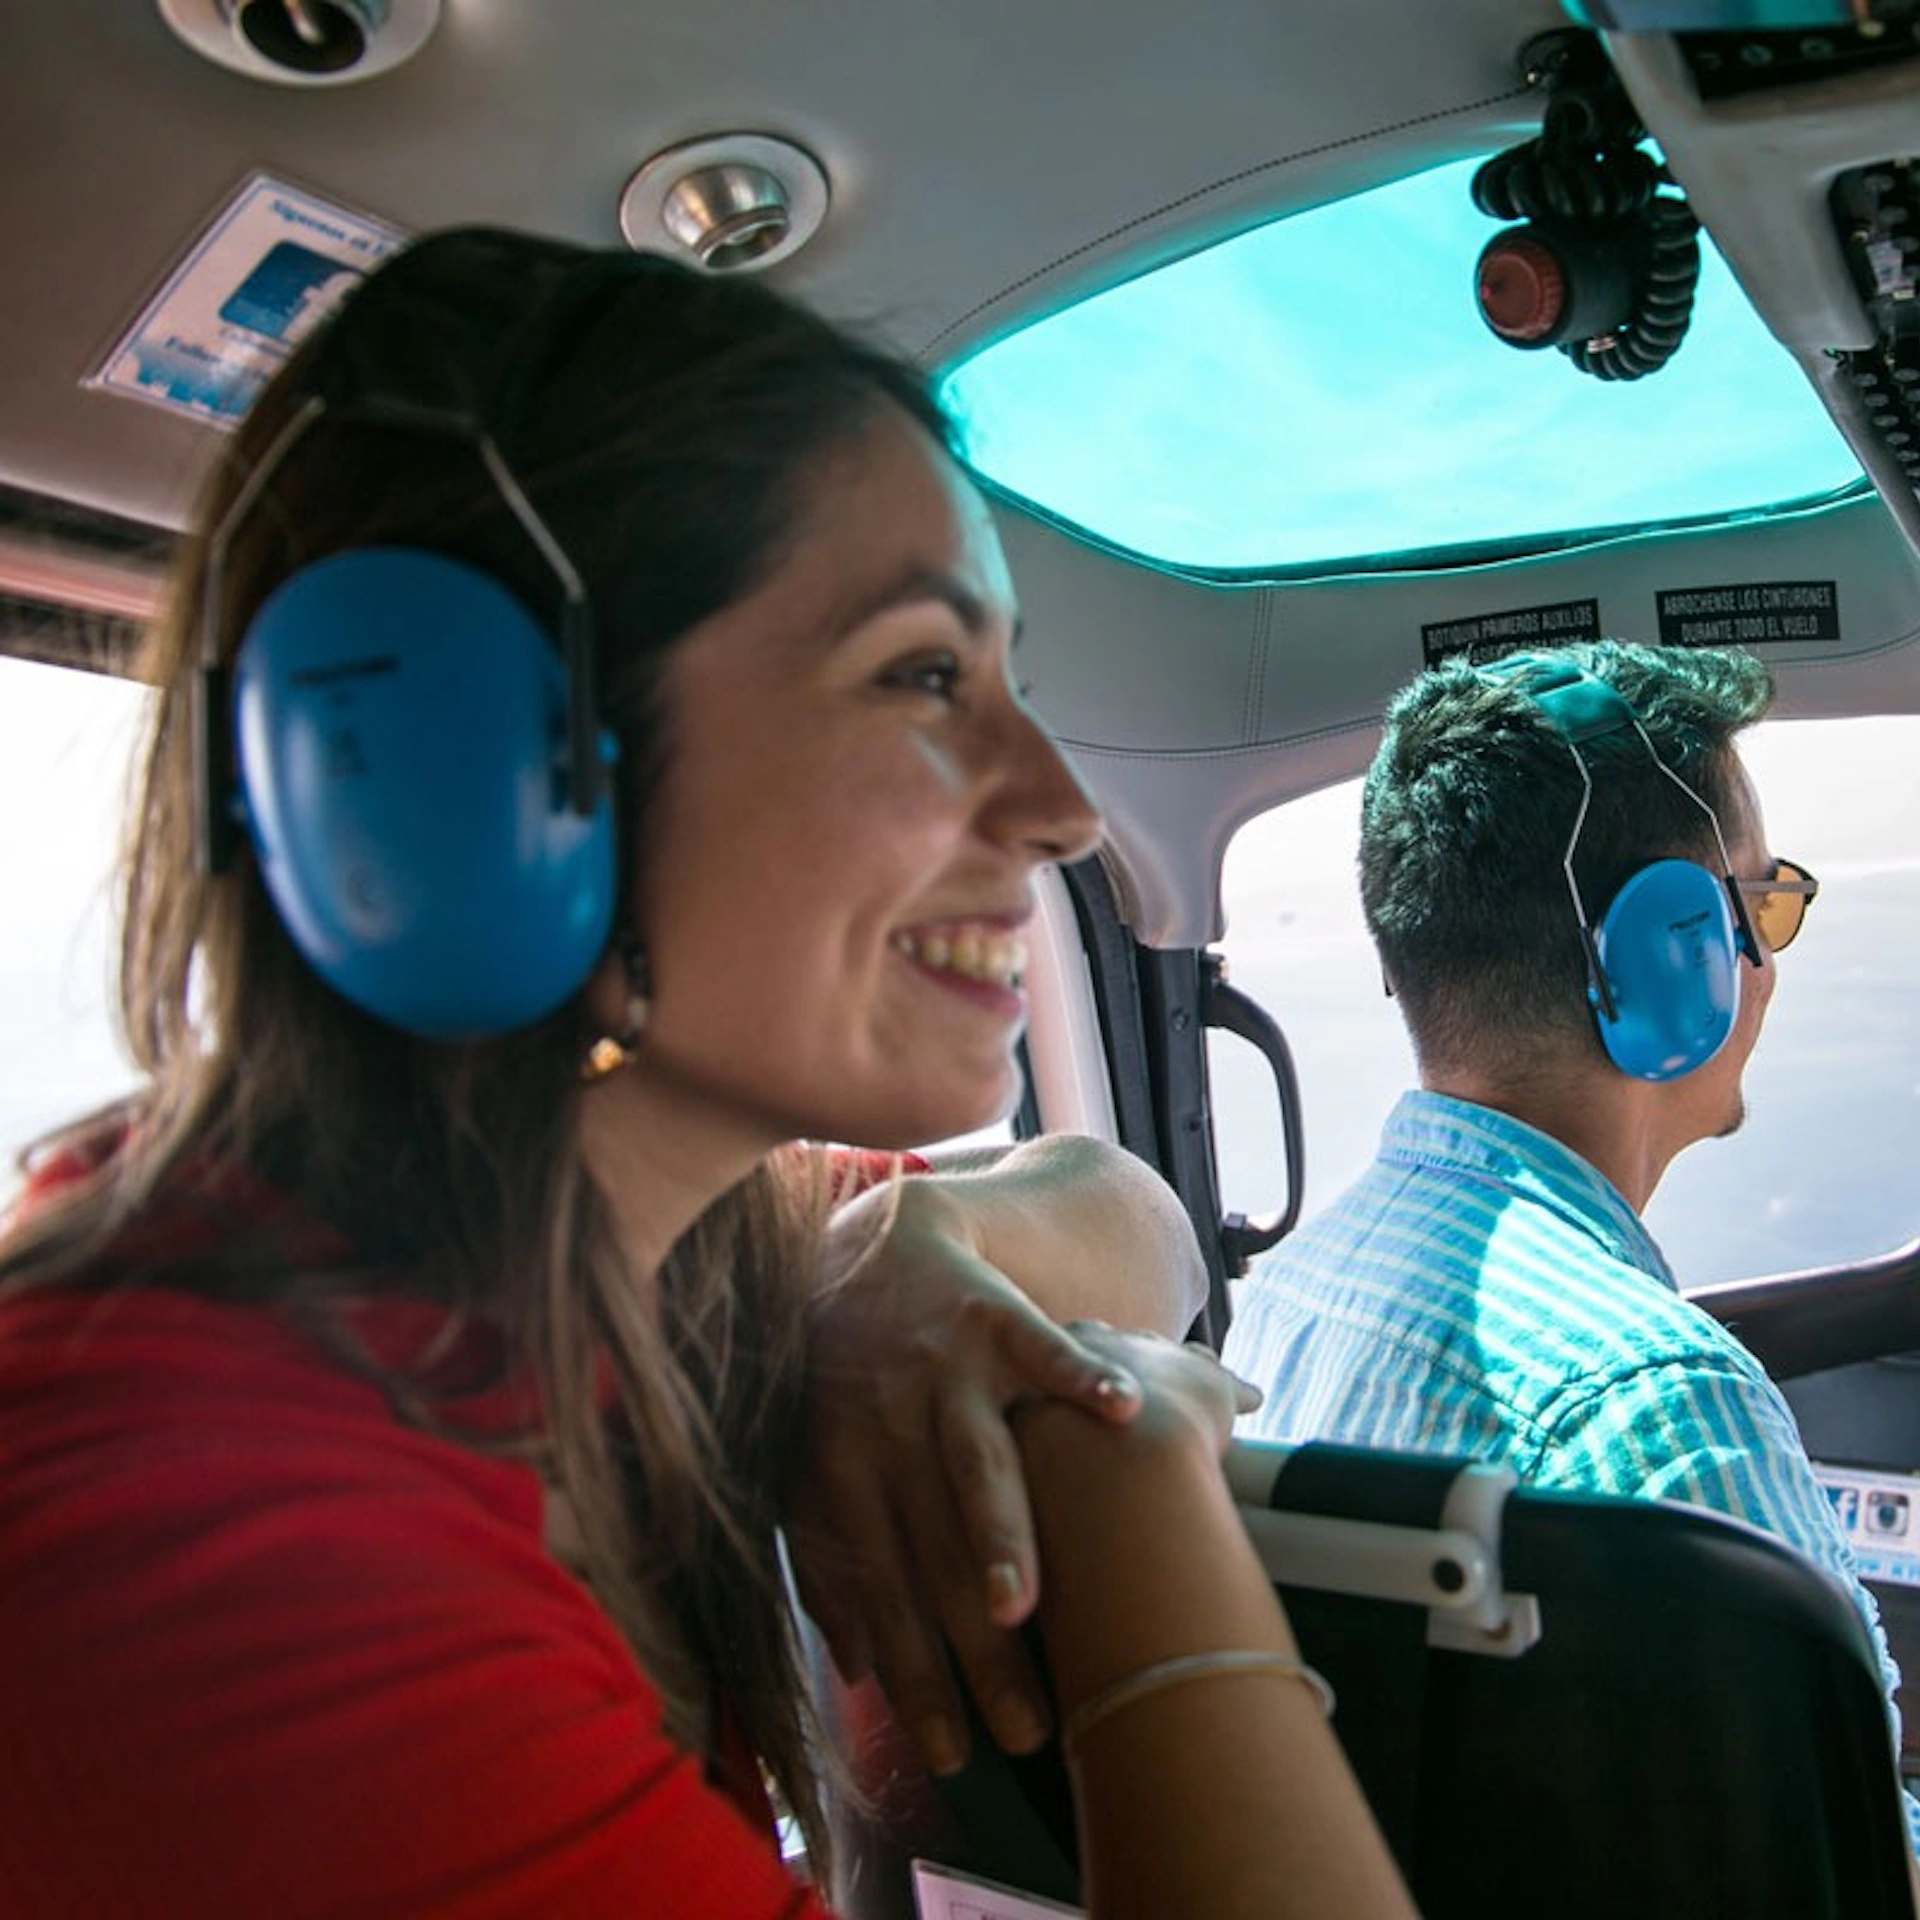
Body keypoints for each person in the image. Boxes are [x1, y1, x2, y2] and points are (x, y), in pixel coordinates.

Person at [0, 227, 1414, 1920]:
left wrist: (892, 1271)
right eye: (922, 676)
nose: (1058, 807)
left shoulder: (580, 1248)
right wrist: (1137, 1498)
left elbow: (1132, 1217)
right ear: (475, 770)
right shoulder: (222, 1570)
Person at [1223, 637, 1917, 1837]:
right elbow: (1853, 1862)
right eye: (1764, 906)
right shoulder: (1652, 1405)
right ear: (1674, 960)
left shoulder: (1286, 1296)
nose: (1770, 960)